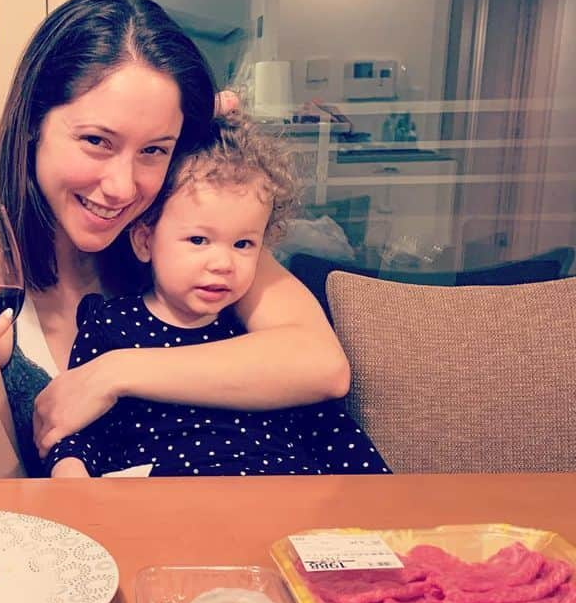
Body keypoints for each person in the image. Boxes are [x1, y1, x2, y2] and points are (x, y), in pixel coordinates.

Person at [0, 0, 351, 479]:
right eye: (97, 141)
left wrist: (112, 374)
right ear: (35, 122)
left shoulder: (190, 233)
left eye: (154, 150)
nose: (122, 188)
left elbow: (320, 365)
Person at [44, 115, 391, 477]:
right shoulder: (110, 324)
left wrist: (386, 511)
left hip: (280, 499)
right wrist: (73, 476)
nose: (224, 263)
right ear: (145, 241)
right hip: (162, 505)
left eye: (243, 244)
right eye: (198, 240)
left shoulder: (258, 335)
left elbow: (331, 431)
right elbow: (78, 428)